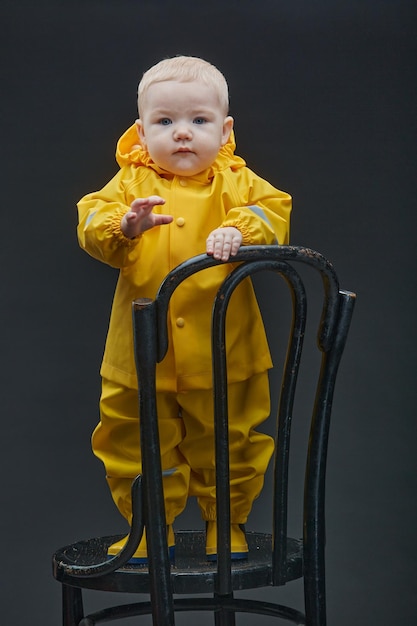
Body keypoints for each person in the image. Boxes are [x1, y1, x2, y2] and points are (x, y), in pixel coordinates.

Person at [77, 55, 292, 564]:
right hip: (142, 350)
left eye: (199, 121)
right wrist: (124, 227)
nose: (182, 134)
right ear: (141, 130)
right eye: (165, 122)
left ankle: (228, 521)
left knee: (229, 435)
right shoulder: (130, 184)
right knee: (133, 436)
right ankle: (150, 524)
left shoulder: (235, 181)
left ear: (225, 129)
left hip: (224, 347)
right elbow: (92, 219)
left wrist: (240, 229)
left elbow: (272, 208)